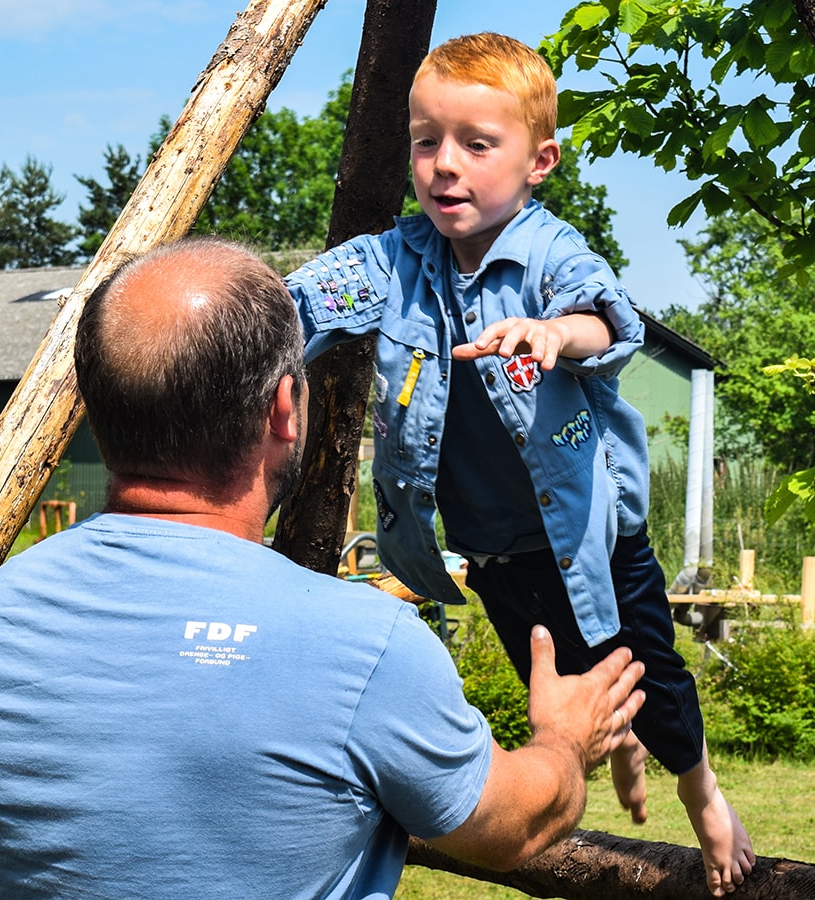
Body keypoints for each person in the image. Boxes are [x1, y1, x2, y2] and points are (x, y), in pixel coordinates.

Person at [0, 236, 645, 899]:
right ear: (285, 408)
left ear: (98, 411)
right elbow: (512, 825)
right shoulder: (364, 647)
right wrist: (565, 738)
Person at [284, 32, 755, 897]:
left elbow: (607, 320)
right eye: (426, 142)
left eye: (476, 144)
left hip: (592, 535)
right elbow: (307, 299)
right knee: (557, 681)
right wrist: (237, 328)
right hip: (492, 547)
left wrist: (553, 331)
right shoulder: (396, 261)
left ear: (539, 161)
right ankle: (617, 747)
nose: (444, 165)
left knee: (649, 676)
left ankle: (702, 793)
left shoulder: (549, 253)